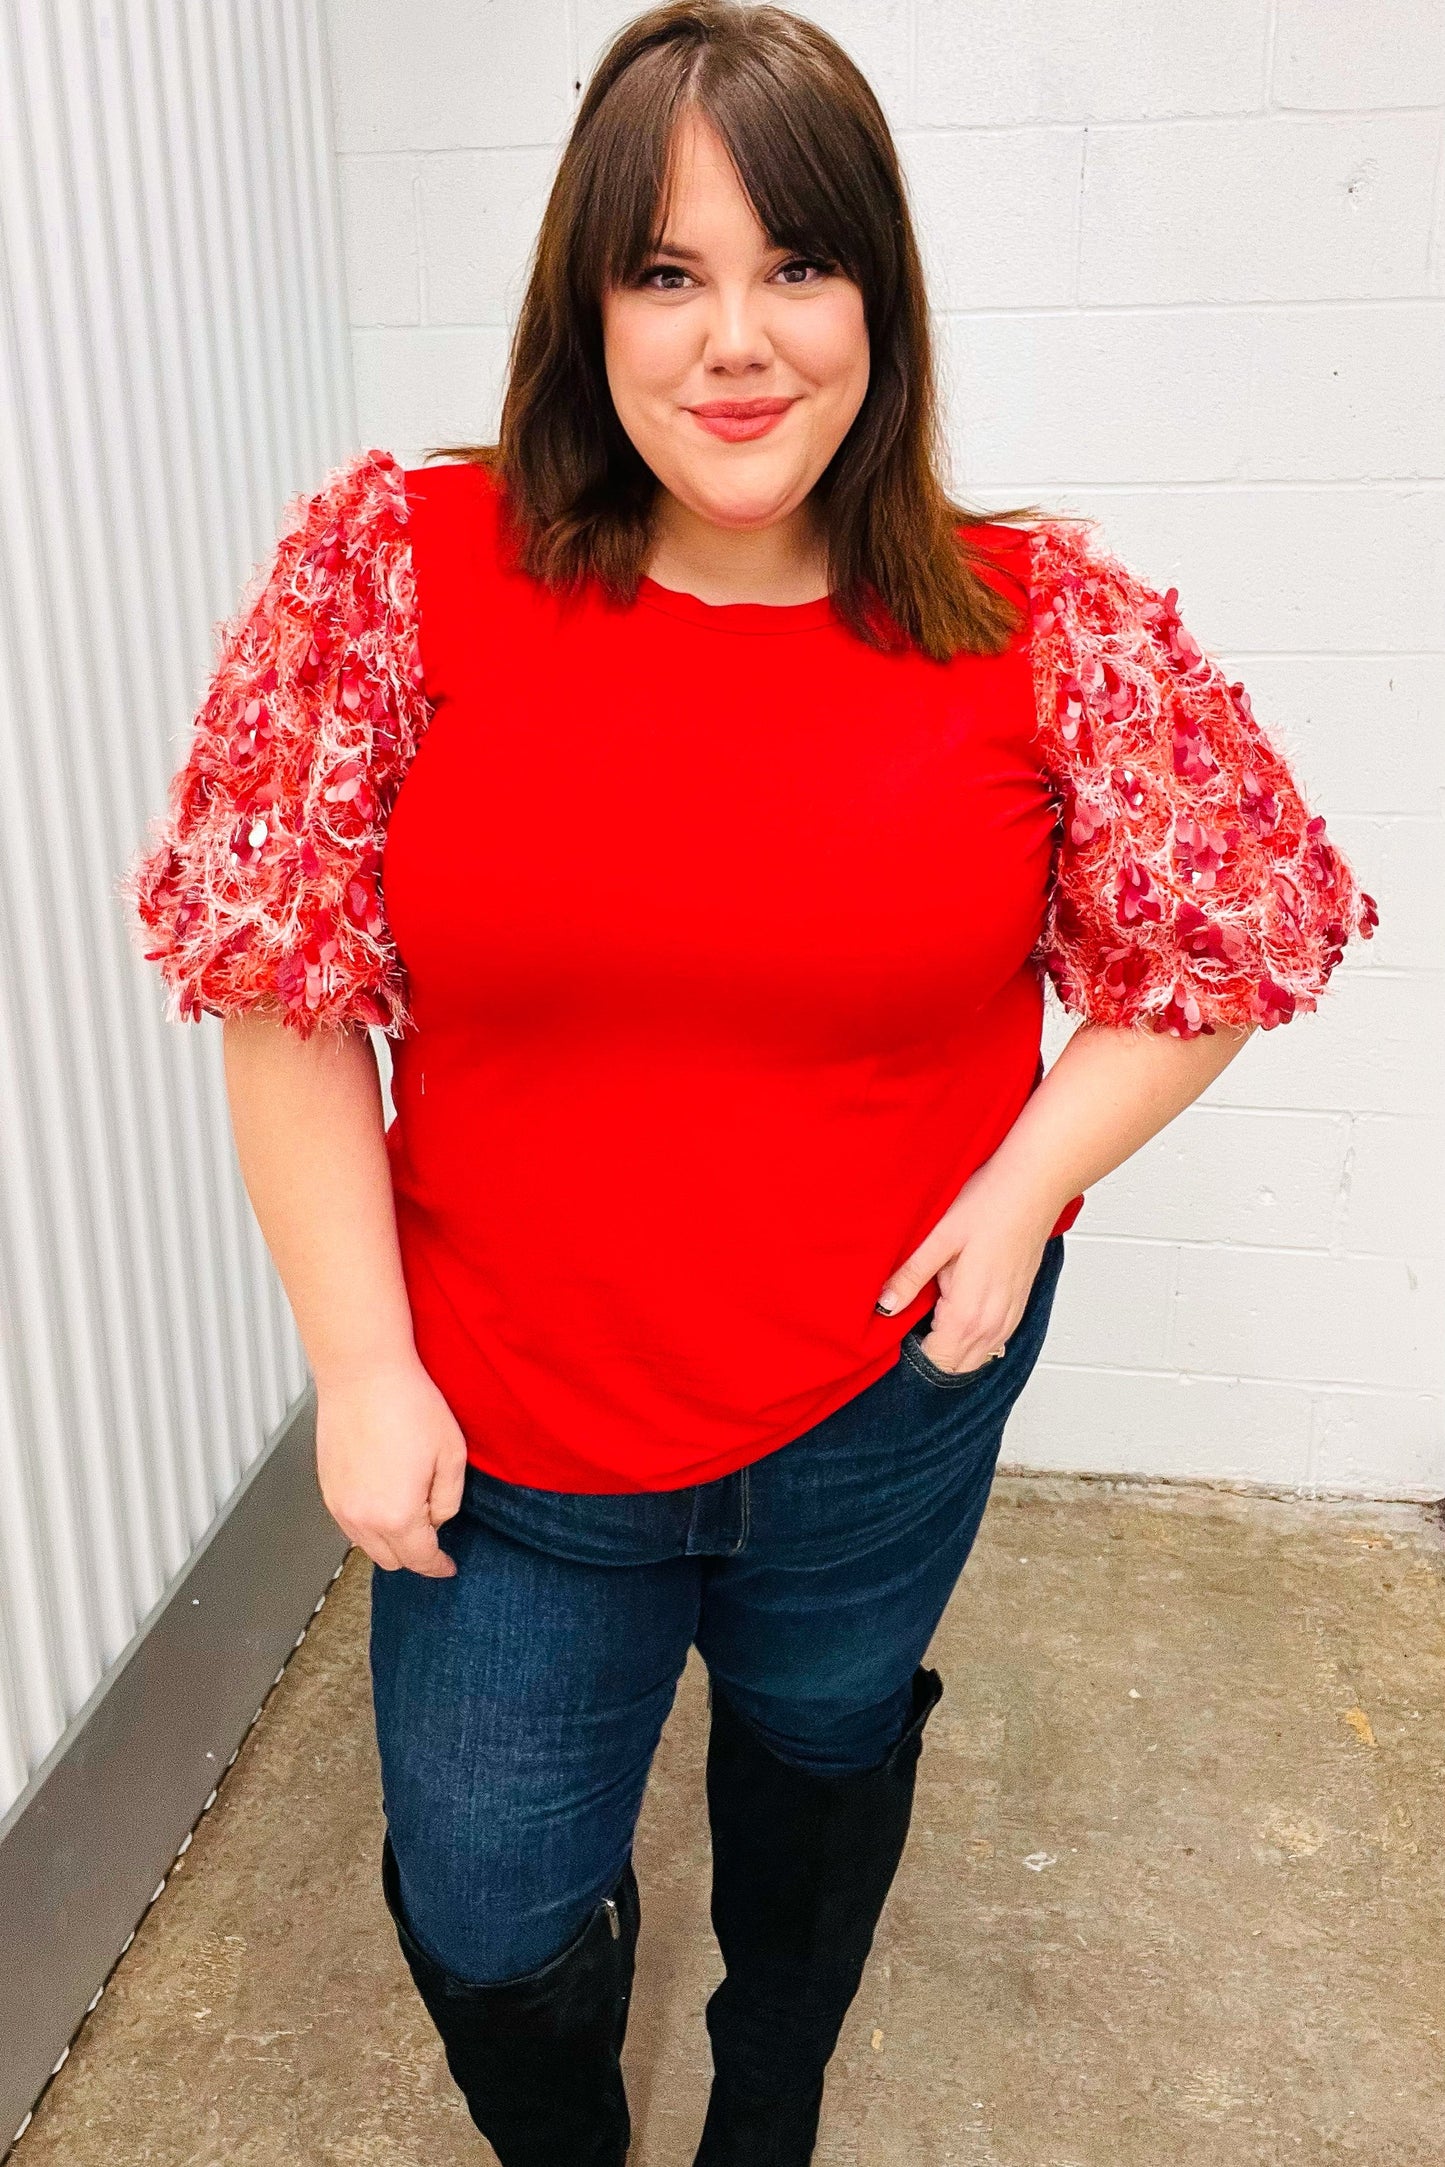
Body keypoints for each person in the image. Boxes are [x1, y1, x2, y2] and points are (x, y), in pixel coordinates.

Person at [118, 5, 1377, 2161]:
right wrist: (358, 1365)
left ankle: (769, 2098)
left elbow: (1234, 929)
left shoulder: (1028, 618)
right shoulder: (398, 572)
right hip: (503, 1422)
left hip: (881, 1401)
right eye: (669, 274)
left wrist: (1021, 1187)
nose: (739, 342)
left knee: (819, 1751)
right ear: (583, 303)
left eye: (797, 266)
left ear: (876, 294)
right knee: (492, 1898)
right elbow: (279, 980)